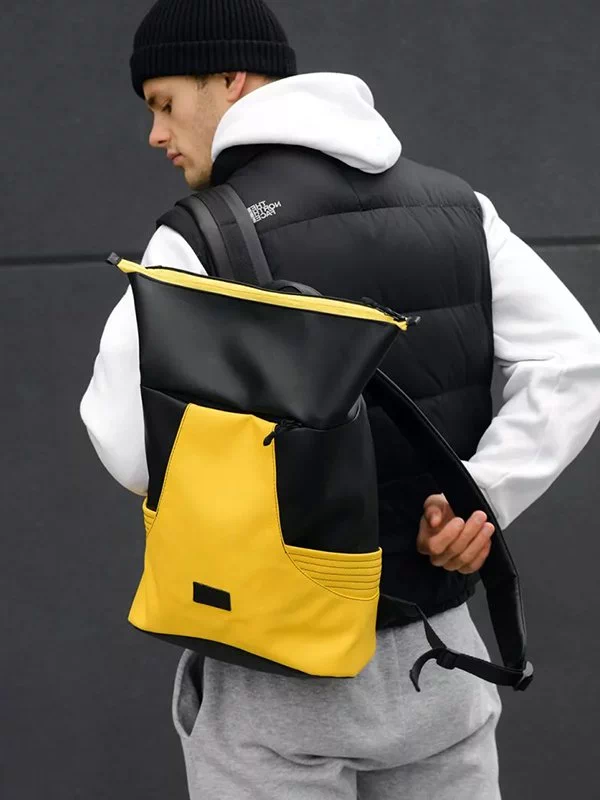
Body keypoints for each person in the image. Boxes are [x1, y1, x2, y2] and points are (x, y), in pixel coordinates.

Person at [79, 1, 600, 797]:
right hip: (440, 661)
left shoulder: (200, 236)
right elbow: (575, 358)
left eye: (165, 103)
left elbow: (125, 446)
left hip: (277, 666)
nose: (157, 133)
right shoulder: (459, 208)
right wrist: (481, 495)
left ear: (231, 79)